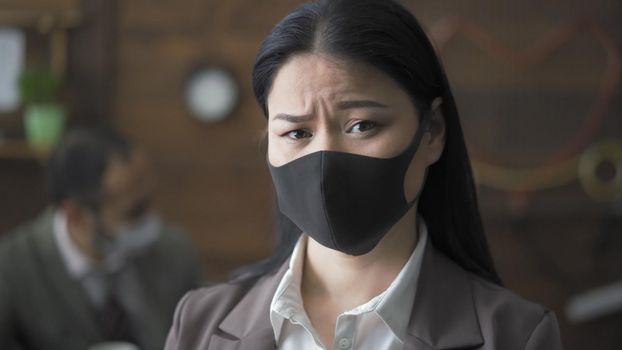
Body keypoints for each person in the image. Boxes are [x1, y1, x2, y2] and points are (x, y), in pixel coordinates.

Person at [164, 0, 564, 349]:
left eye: (362, 126)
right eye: (296, 133)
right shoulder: (199, 324)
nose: (325, 159)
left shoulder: (516, 335)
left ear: (433, 131)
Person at [0, 126, 203, 350]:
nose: (152, 219)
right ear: (76, 215)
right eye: (134, 212)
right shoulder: (12, 270)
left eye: (149, 200)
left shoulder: (173, 252)